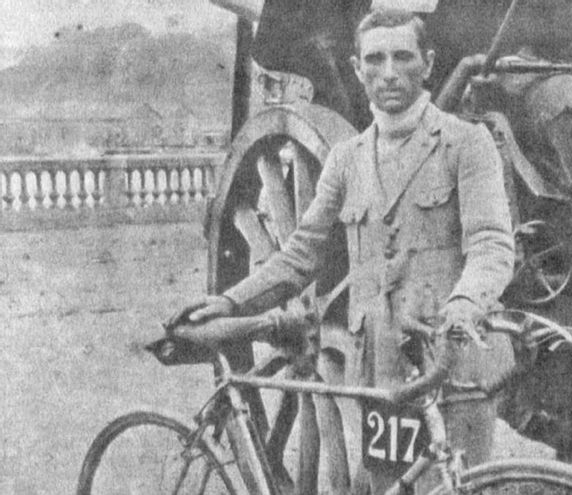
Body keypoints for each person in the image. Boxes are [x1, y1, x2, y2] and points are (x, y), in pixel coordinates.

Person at [169, 8, 515, 494]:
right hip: (380, 371)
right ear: (357, 70)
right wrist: (230, 302)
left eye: (402, 57)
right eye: (375, 60)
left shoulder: (466, 145)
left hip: (452, 369)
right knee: (386, 486)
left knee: (456, 488)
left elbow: (492, 245)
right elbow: (298, 256)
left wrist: (464, 305)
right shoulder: (346, 160)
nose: (389, 73)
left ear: (429, 64)